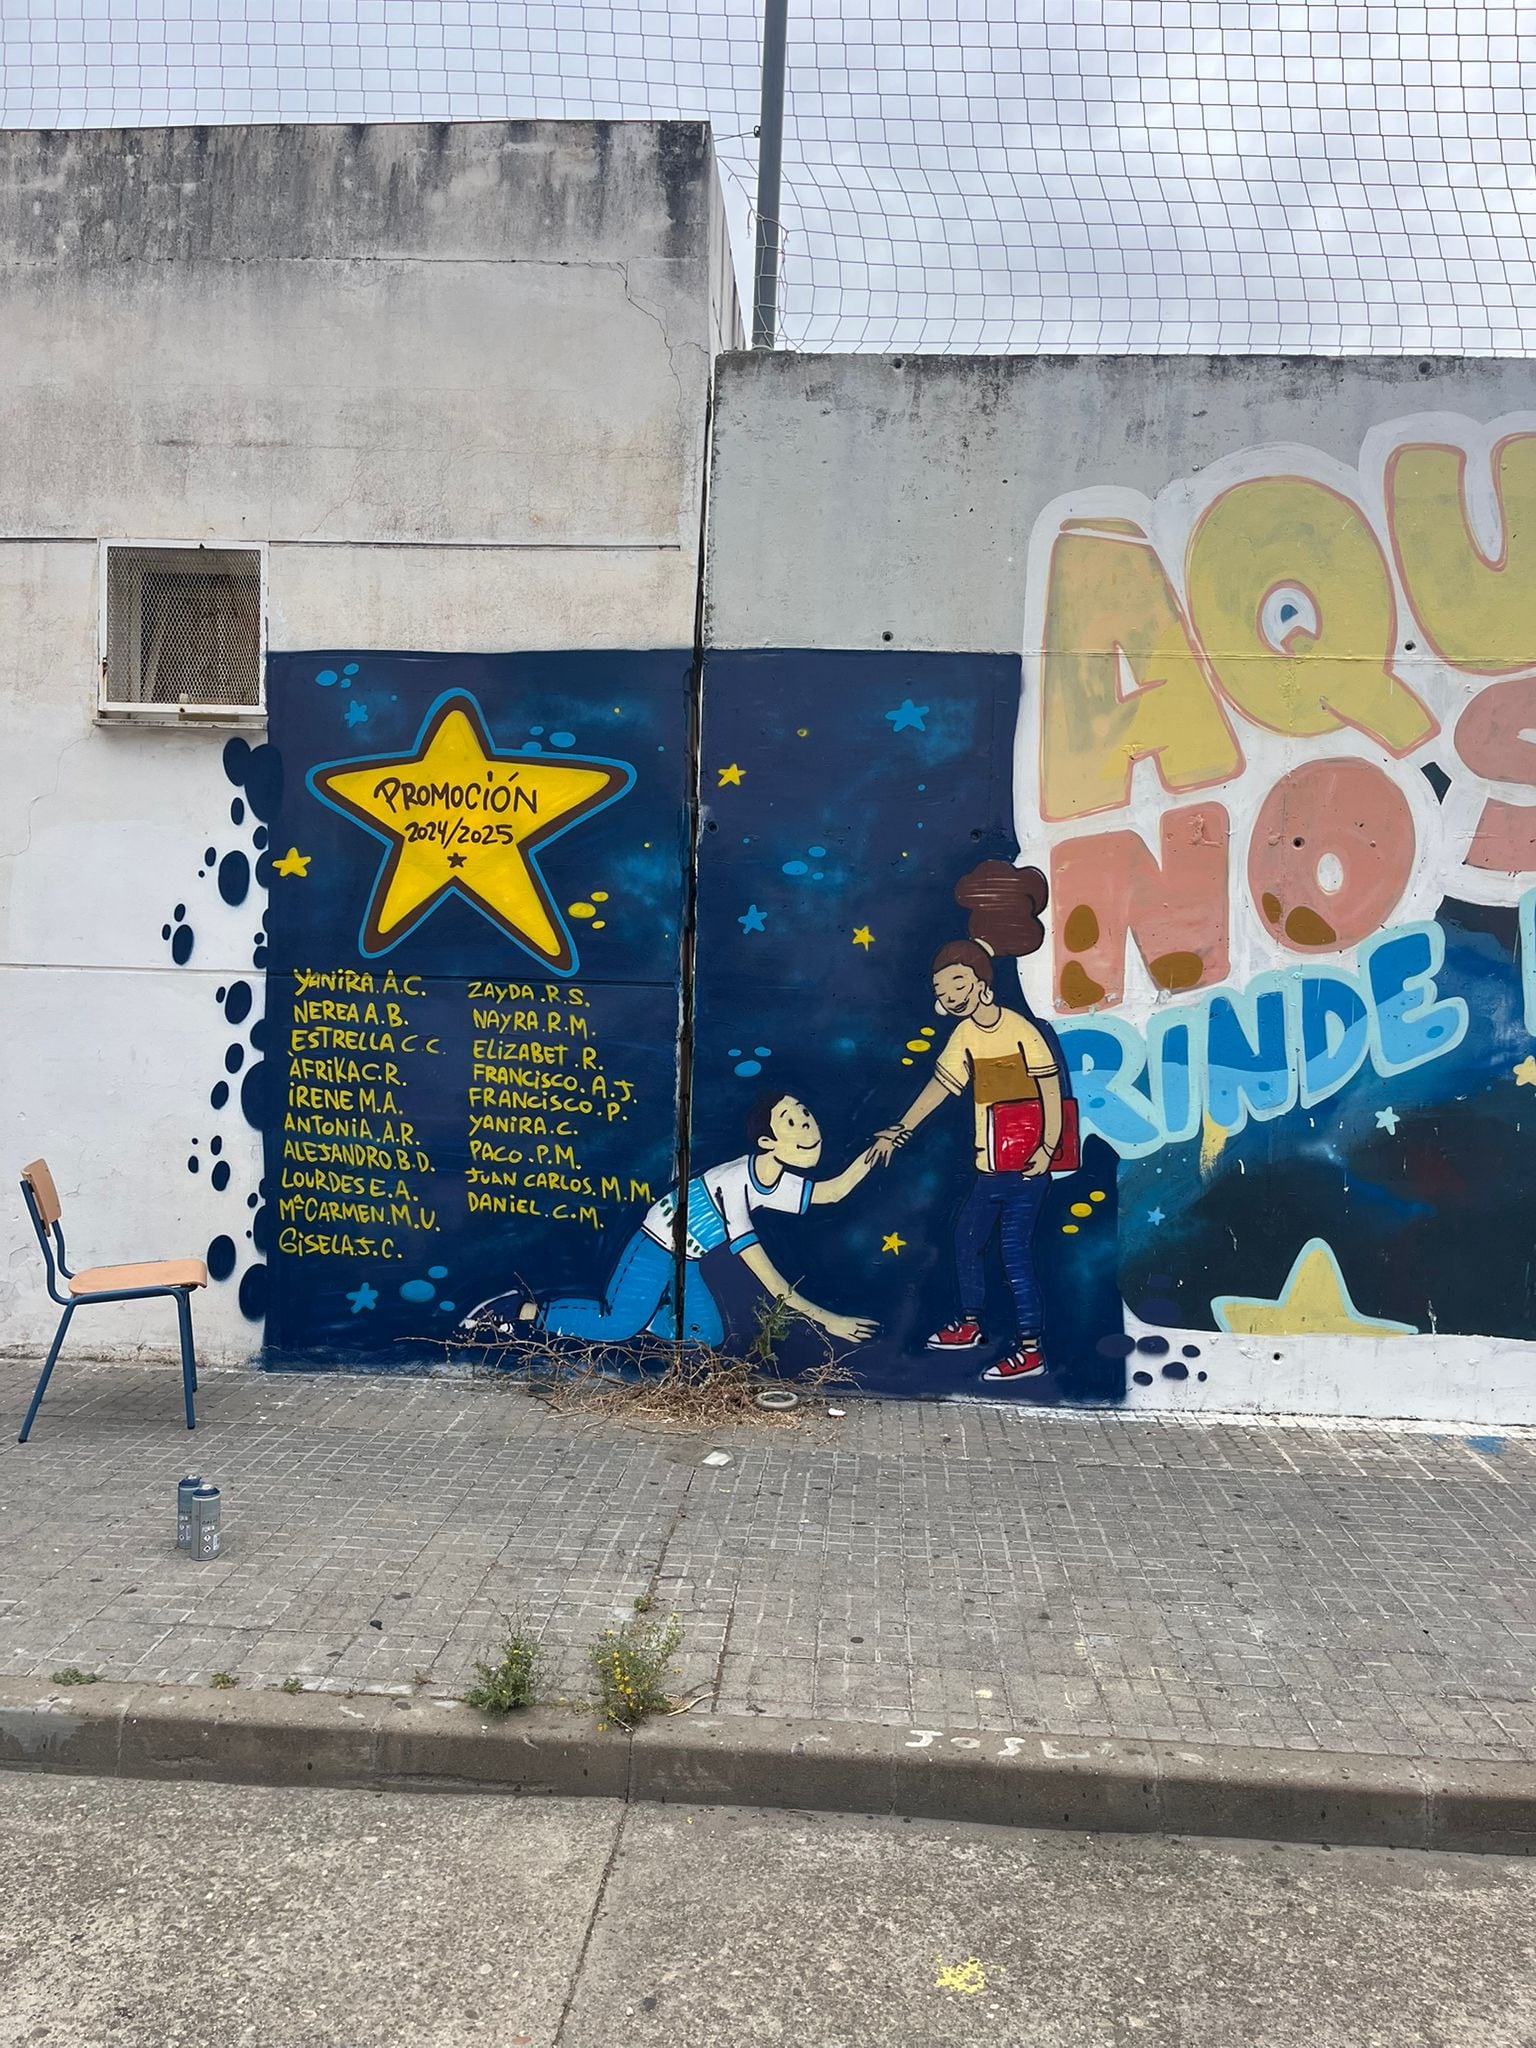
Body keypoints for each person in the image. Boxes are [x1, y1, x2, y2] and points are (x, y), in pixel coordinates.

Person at [457, 1090, 879, 1350]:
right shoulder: (736, 1182)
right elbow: (770, 1278)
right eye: (792, 1120)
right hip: (656, 1246)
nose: (807, 1122)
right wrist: (828, 1319)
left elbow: (832, 1190)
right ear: (768, 1142)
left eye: (803, 1112)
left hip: (685, 1258)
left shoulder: (771, 1179)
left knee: (707, 1335)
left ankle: (647, 1310)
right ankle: (520, 1311)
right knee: (617, 1324)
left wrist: (881, 1147)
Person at [868, 863, 1063, 1383]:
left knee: (1014, 1252)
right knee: (966, 1239)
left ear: (978, 983)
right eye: (942, 987)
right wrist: (899, 1129)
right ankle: (972, 1324)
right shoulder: (965, 1038)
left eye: (955, 983)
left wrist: (1046, 1147)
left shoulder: (1020, 1030)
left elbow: (1049, 1088)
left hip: (1025, 1166)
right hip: (991, 1163)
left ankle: (1029, 1347)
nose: (949, 994)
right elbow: (939, 1088)